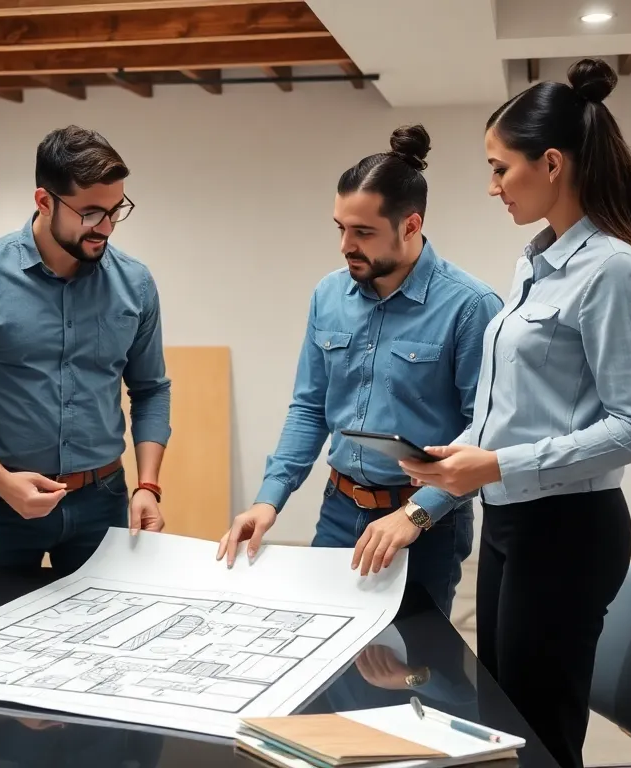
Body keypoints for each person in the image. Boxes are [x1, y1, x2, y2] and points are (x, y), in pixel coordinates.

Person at [399, 58, 631, 768]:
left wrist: (496, 463)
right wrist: (437, 487)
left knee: (541, 739)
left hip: (567, 533)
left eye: (500, 169)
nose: (492, 186)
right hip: (511, 524)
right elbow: (508, 416)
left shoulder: (614, 270)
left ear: (551, 163)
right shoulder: (536, 262)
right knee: (506, 723)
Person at [215, 125, 503, 618]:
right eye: (341, 228)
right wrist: (269, 500)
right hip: (339, 510)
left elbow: (487, 431)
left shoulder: (470, 306)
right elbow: (309, 408)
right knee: (325, 647)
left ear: (410, 226)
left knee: (411, 654)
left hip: (425, 521)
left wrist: (417, 514)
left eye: (363, 233)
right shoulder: (329, 295)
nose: (346, 245)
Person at [0, 125, 172, 580]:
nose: (106, 227)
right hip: (5, 506)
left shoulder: (135, 283)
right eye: (90, 213)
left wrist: (148, 486)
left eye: (116, 210)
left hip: (104, 502)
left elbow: (150, 389)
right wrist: (0, 480)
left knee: (106, 627)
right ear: (44, 201)